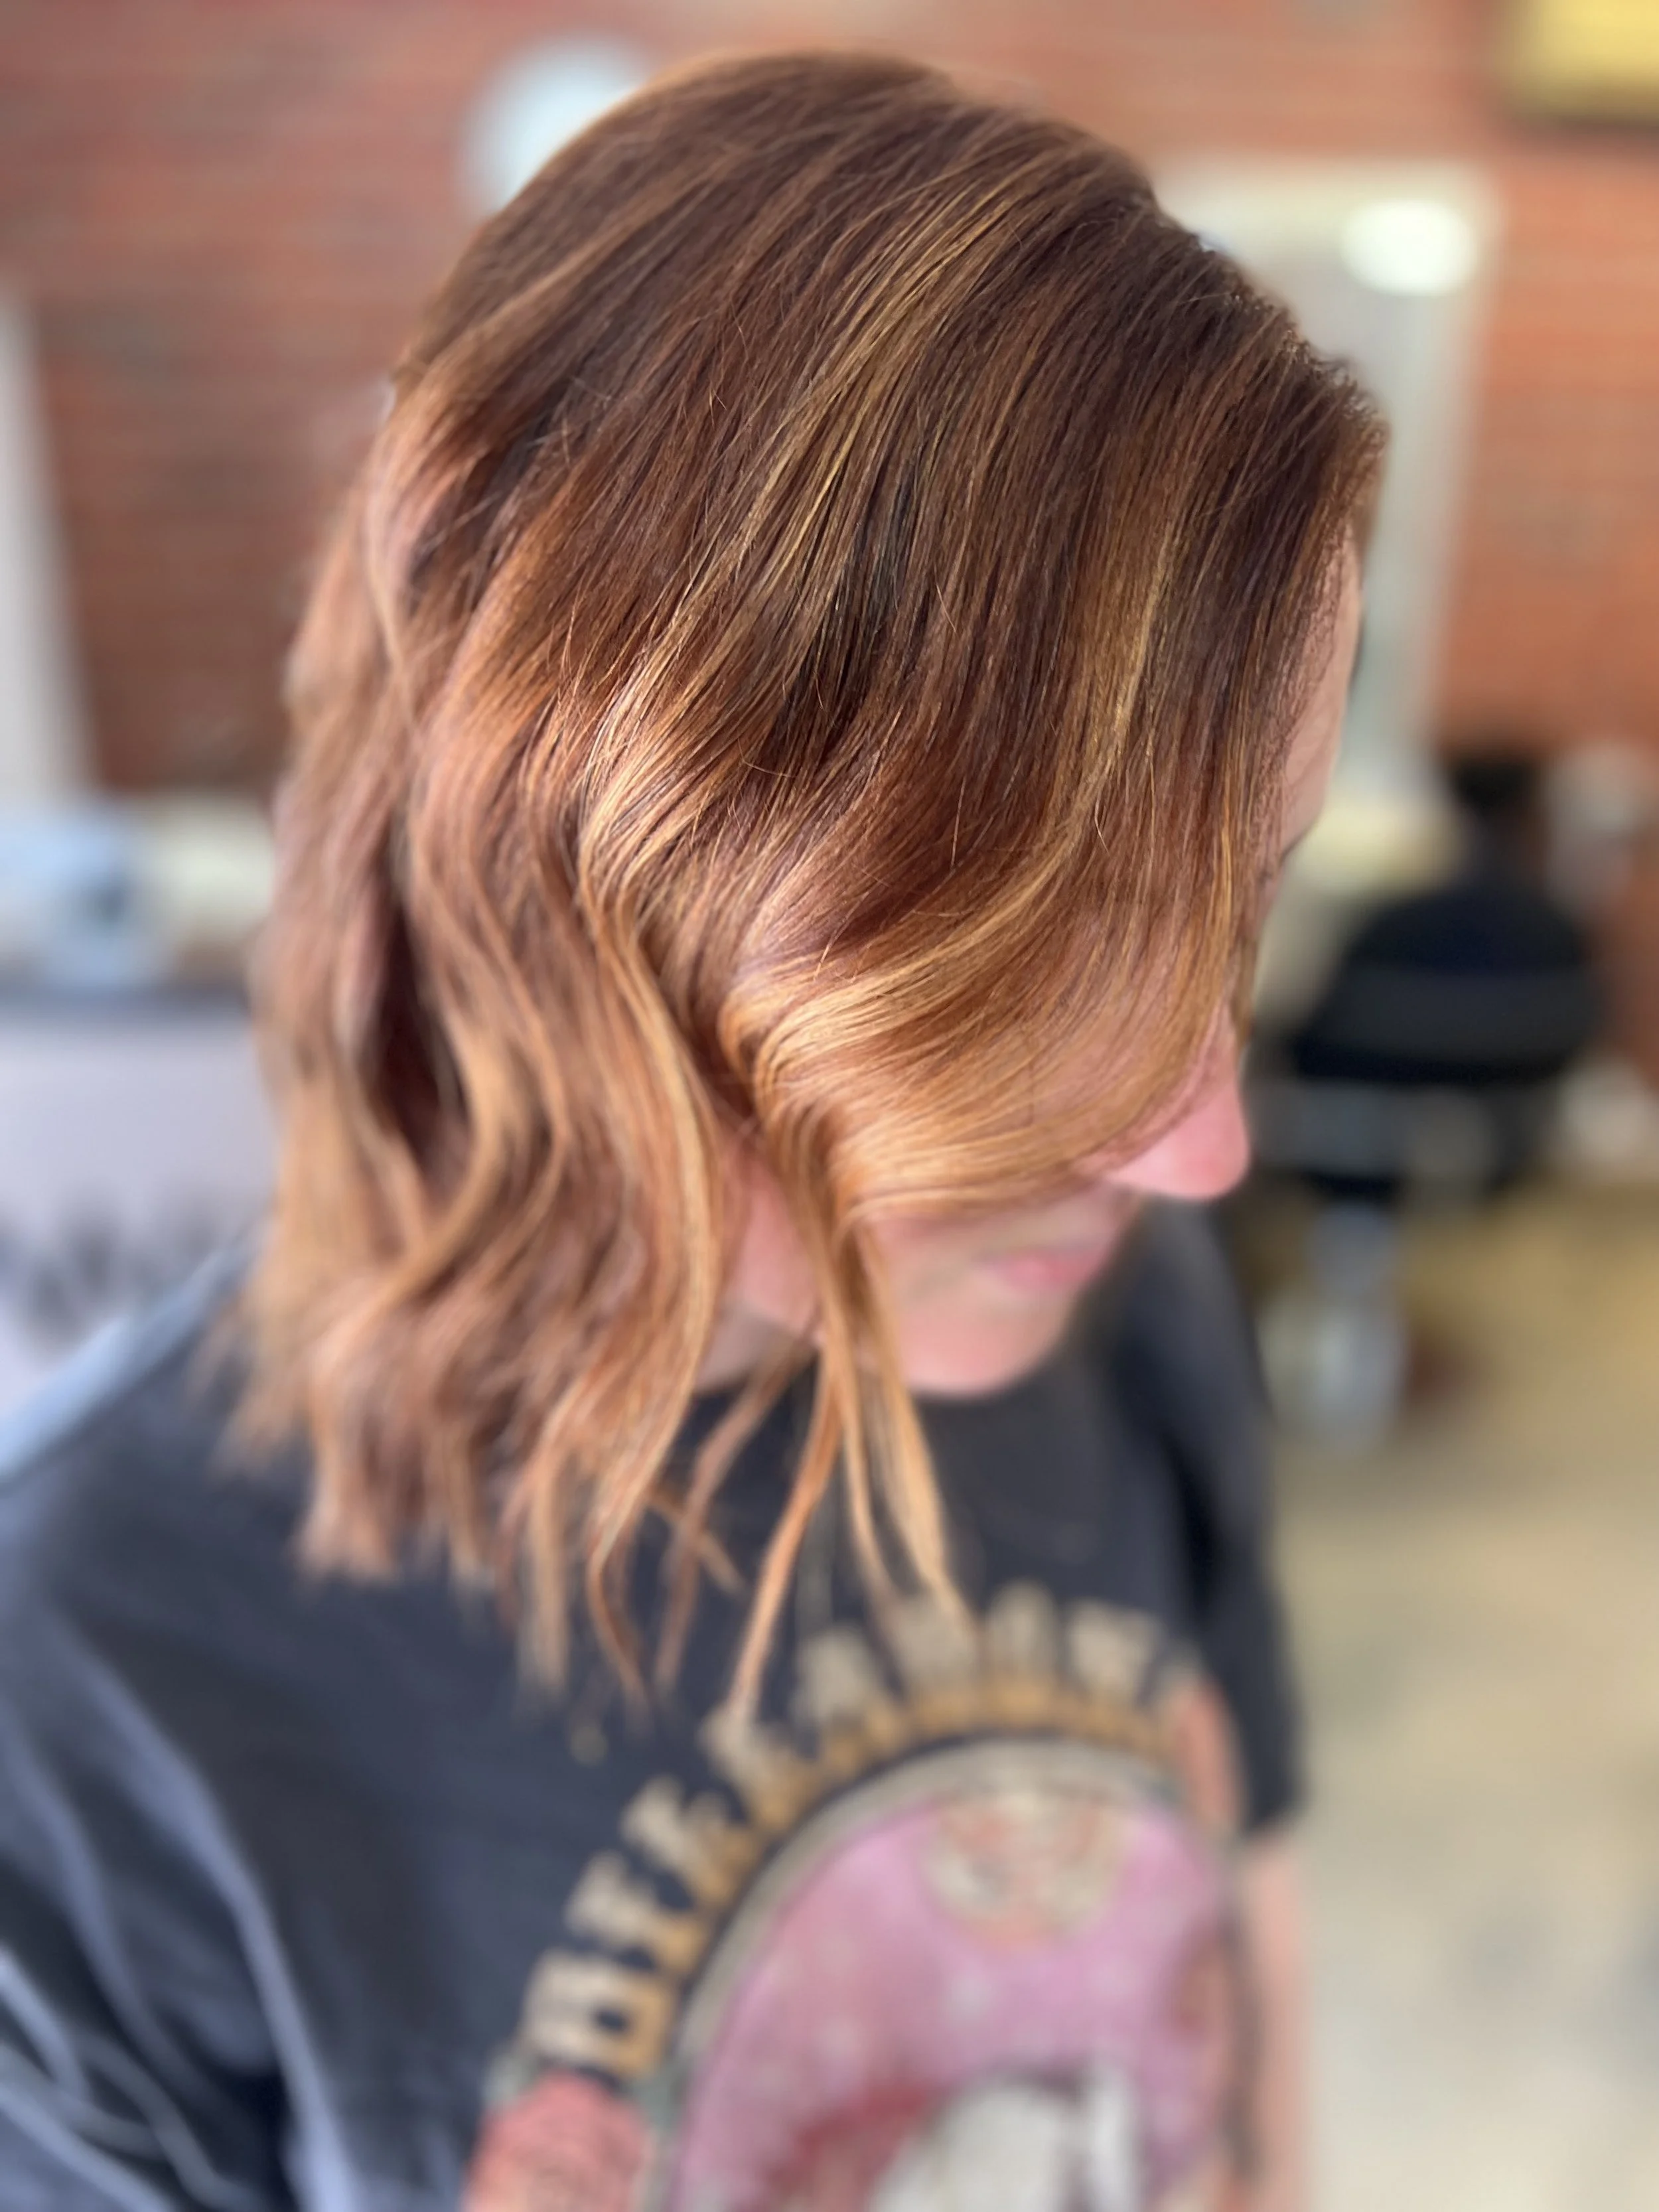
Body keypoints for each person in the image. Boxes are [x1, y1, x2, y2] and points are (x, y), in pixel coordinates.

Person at [0, 52, 1379, 2212]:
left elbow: (1241, 1949)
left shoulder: (1122, 1301)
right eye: (1006, 979)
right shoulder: (86, 1702)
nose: (1194, 1139)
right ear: (547, 884)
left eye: (1240, 895)